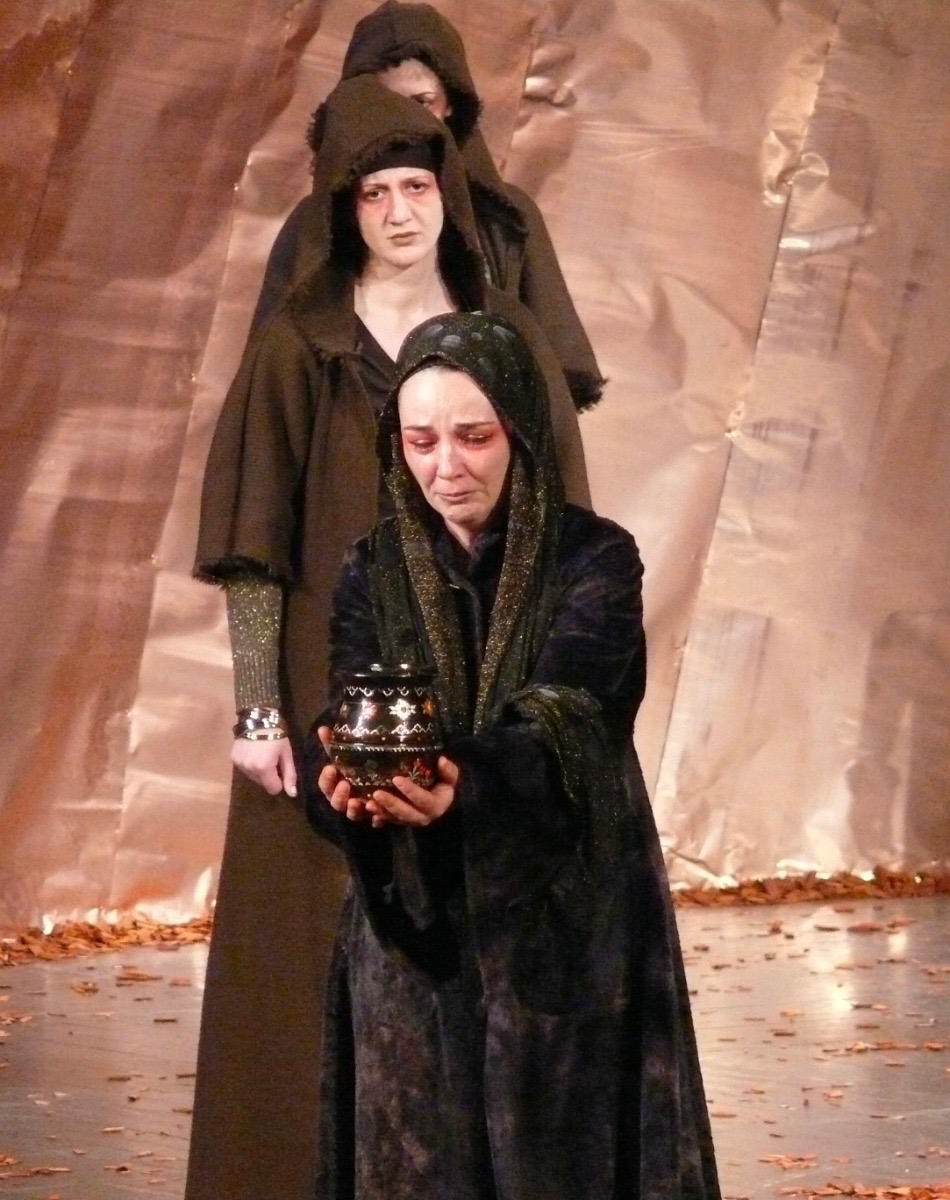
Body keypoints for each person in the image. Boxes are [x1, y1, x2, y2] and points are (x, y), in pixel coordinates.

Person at [187, 76, 589, 1200]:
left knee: (482, 935)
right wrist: (259, 707)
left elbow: (561, 519)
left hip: (479, 674)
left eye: (416, 185)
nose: (400, 212)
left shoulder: (501, 338)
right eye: (375, 193)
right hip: (329, 679)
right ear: (344, 208)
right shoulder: (299, 345)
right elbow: (253, 539)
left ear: (446, 192)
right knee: (309, 936)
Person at [305, 310, 720, 1199]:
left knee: (562, 1161)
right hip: (416, 924)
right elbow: (350, 706)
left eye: (474, 436)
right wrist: (339, 777)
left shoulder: (594, 558)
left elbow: (575, 709)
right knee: (419, 1156)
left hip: (565, 920)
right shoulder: (372, 568)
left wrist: (468, 783)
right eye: (421, 442)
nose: (446, 467)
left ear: (519, 431)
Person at [252, 0, 605, 410]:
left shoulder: (504, 218)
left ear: (451, 103)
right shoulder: (317, 224)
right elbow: (269, 388)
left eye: (421, 103)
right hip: (347, 434)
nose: (404, 119)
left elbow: (552, 382)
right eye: (386, 102)